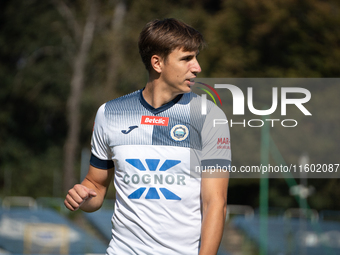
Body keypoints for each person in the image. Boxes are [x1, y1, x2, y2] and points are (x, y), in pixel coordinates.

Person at [64, 18, 231, 255]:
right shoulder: (109, 113)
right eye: (186, 59)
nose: (197, 67)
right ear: (157, 63)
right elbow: (96, 187)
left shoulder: (210, 117)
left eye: (195, 58)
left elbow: (215, 203)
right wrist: (82, 197)